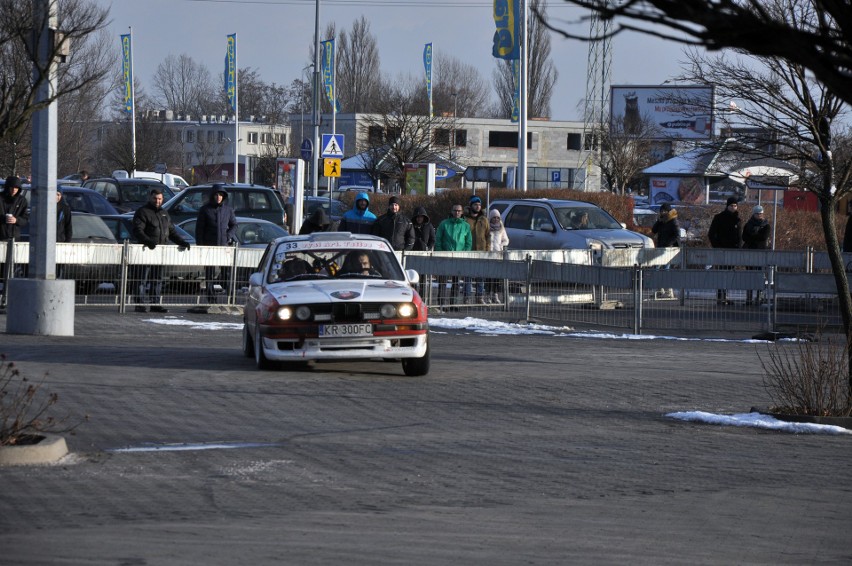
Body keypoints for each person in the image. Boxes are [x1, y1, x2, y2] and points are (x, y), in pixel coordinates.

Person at [132, 187, 190, 313]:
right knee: (142, 279)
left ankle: (155, 303)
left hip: (160, 253)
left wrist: (182, 242)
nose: (157, 201)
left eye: (159, 199)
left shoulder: (164, 213)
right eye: (155, 198)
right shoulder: (142, 212)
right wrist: (148, 242)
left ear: (162, 199)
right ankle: (139, 304)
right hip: (145, 252)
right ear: (150, 198)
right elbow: (137, 230)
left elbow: (172, 231)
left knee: (157, 279)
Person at [195, 184, 237, 303]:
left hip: (223, 246)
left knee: (226, 273)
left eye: (221, 195)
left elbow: (234, 225)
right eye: (217, 194)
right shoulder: (205, 210)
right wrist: (200, 246)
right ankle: (211, 298)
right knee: (209, 274)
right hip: (209, 246)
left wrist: (228, 236)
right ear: (212, 195)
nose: (219, 197)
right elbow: (199, 230)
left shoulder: (228, 209)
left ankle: (230, 297)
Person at [435, 203, 472, 306]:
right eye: (455, 210)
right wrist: (439, 253)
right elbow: (438, 239)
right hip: (444, 257)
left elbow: (468, 242)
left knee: (456, 282)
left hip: (459, 257)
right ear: (451, 211)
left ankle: (453, 303)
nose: (457, 212)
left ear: (462, 212)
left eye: (459, 211)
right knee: (442, 281)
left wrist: (464, 254)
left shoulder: (466, 226)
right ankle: (441, 303)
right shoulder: (444, 224)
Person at [707, 197, 742, 305]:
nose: (733, 207)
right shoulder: (719, 218)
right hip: (721, 250)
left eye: (735, 205)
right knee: (721, 274)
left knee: (729, 275)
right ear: (727, 206)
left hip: (733, 251)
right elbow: (711, 234)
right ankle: (720, 297)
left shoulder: (738, 219)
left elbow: (739, 236)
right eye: (731, 205)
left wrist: (738, 248)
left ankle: (726, 296)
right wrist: (717, 246)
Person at [0, 176, 29, 304]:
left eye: (16, 188)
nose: (14, 191)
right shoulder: (0, 198)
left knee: (10, 268)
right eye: (12, 188)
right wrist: (3, 219)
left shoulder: (22, 200)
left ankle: (7, 295)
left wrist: (16, 220)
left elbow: (25, 219)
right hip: (1, 236)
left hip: (13, 237)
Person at [742, 204, 771, 305]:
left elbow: (763, 237)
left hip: (761, 254)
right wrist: (755, 237)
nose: (759, 215)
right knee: (750, 277)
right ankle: (749, 298)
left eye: (761, 213)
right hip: (750, 254)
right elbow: (744, 237)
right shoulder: (748, 224)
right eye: (757, 214)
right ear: (753, 214)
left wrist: (752, 237)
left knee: (760, 277)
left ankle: (759, 298)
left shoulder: (766, 225)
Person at [464, 195, 491, 303]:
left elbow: (488, 235)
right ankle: (467, 297)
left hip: (481, 251)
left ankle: (479, 296)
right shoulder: (466, 219)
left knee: (480, 275)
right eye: (475, 204)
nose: (478, 207)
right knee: (468, 275)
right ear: (471, 206)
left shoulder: (484, 219)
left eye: (479, 205)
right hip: (469, 251)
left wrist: (487, 248)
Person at [487, 208, 509, 304]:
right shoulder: (487, 228)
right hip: (488, 255)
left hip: (498, 254)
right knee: (488, 276)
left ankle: (495, 295)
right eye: (494, 217)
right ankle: (488, 295)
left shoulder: (501, 228)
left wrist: (501, 245)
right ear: (490, 218)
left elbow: (506, 240)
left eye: (497, 217)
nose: (496, 219)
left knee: (496, 277)